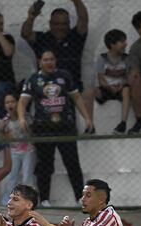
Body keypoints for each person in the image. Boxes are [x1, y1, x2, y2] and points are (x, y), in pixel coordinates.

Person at [19, 50, 92, 206]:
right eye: (45, 60)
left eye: (52, 59)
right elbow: (22, 102)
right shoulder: (33, 79)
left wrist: (87, 118)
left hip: (65, 126)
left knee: (72, 163)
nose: (49, 62)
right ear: (40, 62)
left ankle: (80, 198)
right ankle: (44, 199)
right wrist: (20, 117)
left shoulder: (65, 76)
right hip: (43, 129)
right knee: (45, 165)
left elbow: (77, 97)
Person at [21, 0, 89, 85]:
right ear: (50, 24)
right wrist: (31, 17)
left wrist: (77, 1)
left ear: (69, 24)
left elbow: (83, 19)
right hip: (46, 84)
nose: (60, 27)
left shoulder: (75, 37)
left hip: (71, 85)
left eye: (64, 24)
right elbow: (26, 34)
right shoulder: (42, 38)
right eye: (56, 24)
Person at [85, 29, 131, 135]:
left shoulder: (126, 58)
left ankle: (123, 123)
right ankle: (90, 125)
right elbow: (100, 78)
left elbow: (129, 76)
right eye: (122, 42)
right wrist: (108, 87)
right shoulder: (102, 58)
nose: (125, 44)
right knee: (89, 91)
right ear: (112, 44)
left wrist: (123, 84)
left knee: (127, 90)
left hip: (121, 88)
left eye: (125, 41)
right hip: (107, 88)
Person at [0, 93, 36, 204]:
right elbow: (2, 134)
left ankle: (29, 200)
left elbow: (32, 132)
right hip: (14, 151)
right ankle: (8, 199)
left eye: (12, 101)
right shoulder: (5, 120)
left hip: (28, 150)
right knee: (12, 176)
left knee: (27, 176)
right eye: (7, 102)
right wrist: (3, 132)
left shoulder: (26, 117)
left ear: (17, 103)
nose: (10, 104)